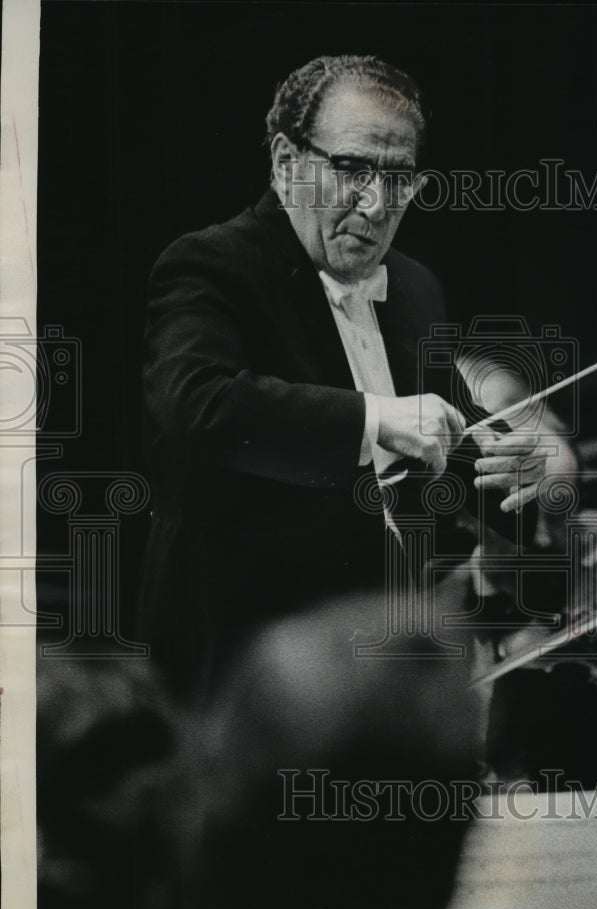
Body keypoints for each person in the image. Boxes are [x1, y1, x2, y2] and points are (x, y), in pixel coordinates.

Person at [140, 54, 547, 704]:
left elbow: (456, 452)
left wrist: (515, 478)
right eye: (353, 169)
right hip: (249, 669)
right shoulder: (211, 264)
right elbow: (199, 407)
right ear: (285, 161)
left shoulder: (415, 287)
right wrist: (376, 419)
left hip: (385, 669)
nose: (377, 204)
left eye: (399, 178)